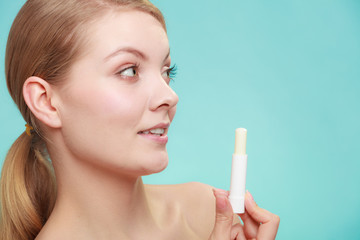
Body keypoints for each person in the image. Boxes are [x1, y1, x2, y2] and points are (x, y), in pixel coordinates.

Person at [0, 0, 280, 239]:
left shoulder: (205, 212)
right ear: (45, 102)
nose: (169, 96)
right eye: (129, 71)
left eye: (168, 71)